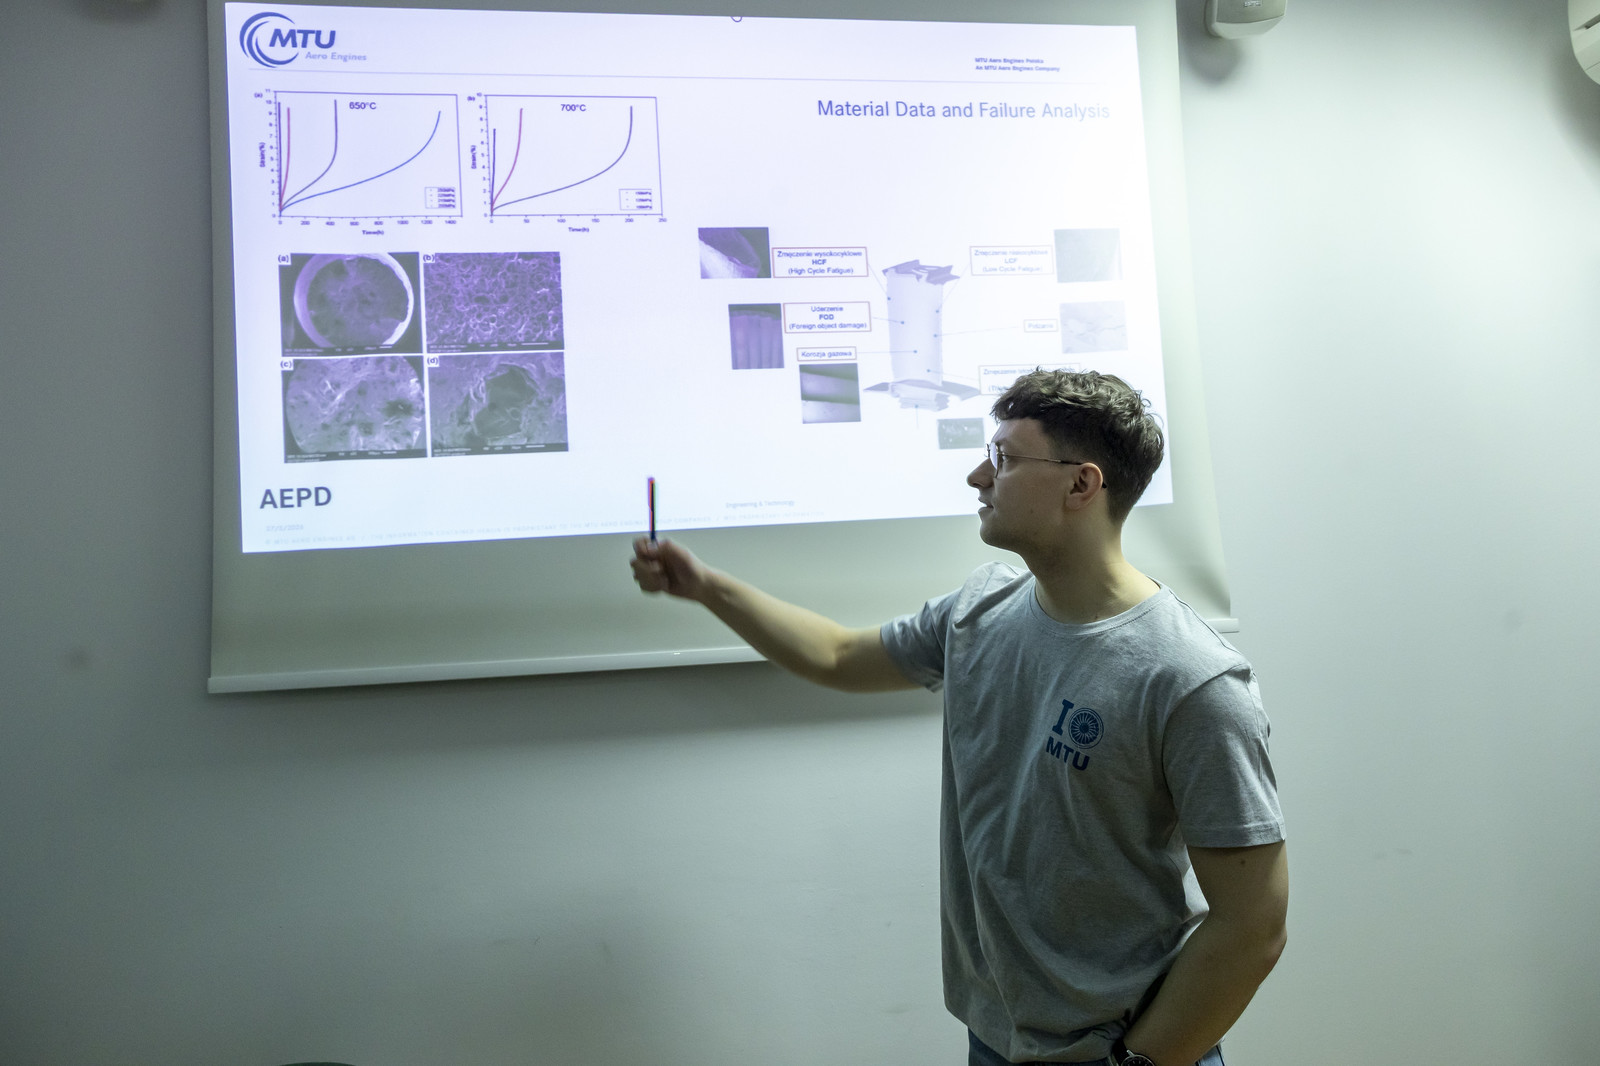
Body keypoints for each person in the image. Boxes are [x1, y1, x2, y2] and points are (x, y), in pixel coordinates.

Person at [630, 369, 1287, 1066]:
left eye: (1004, 457)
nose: (978, 476)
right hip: (994, 1037)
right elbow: (836, 656)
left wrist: (1134, 1062)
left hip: (1122, 1050)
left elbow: (1253, 928)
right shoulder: (981, 610)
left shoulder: (1192, 680)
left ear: (1081, 485)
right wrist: (705, 587)